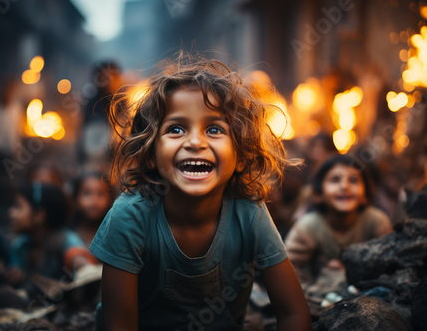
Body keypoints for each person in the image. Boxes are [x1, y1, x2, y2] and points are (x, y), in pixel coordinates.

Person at [89, 54, 311, 331]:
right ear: (149, 154)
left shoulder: (249, 213)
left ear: (241, 154)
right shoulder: (129, 216)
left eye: (215, 129)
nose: (195, 142)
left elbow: (293, 314)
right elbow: (119, 325)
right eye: (176, 129)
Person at [285, 154, 393, 288]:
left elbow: (390, 264)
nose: (344, 186)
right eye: (335, 180)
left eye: (353, 180)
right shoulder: (308, 226)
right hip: (317, 297)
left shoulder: (376, 221)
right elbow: (286, 269)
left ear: (365, 194)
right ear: (318, 193)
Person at [7, 183, 96, 283]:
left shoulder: (65, 240)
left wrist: (82, 266)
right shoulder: (21, 245)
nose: (11, 213)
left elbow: (83, 266)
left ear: (39, 216)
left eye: (18, 207)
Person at [71, 172, 113, 246]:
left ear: (110, 199)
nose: (94, 200)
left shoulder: (115, 236)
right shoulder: (67, 236)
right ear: (76, 197)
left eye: (100, 194)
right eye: (87, 193)